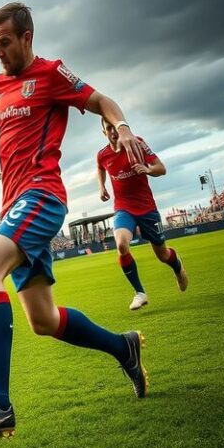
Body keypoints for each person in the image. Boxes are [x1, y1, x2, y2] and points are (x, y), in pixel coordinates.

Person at [0, 2, 149, 439]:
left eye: (5, 42)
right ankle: (124, 348)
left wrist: (122, 127)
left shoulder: (51, 74)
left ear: (27, 37)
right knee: (43, 320)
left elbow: (100, 100)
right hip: (14, 205)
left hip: (42, 196)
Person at [97, 119, 188, 309]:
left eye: (115, 127)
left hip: (147, 208)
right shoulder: (102, 155)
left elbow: (161, 168)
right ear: (104, 132)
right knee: (121, 245)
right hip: (123, 208)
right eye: (108, 128)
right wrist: (101, 186)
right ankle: (140, 293)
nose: (113, 131)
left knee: (163, 255)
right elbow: (100, 167)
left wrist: (147, 169)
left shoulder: (137, 143)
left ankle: (177, 266)